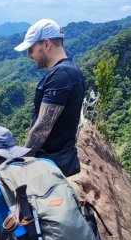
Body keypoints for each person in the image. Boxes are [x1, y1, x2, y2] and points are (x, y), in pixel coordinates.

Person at [14, 18, 85, 178]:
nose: (28, 55)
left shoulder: (60, 76)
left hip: (50, 166)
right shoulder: (73, 71)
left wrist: (22, 161)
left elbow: (42, 129)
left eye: (31, 49)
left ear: (46, 44)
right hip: (60, 162)